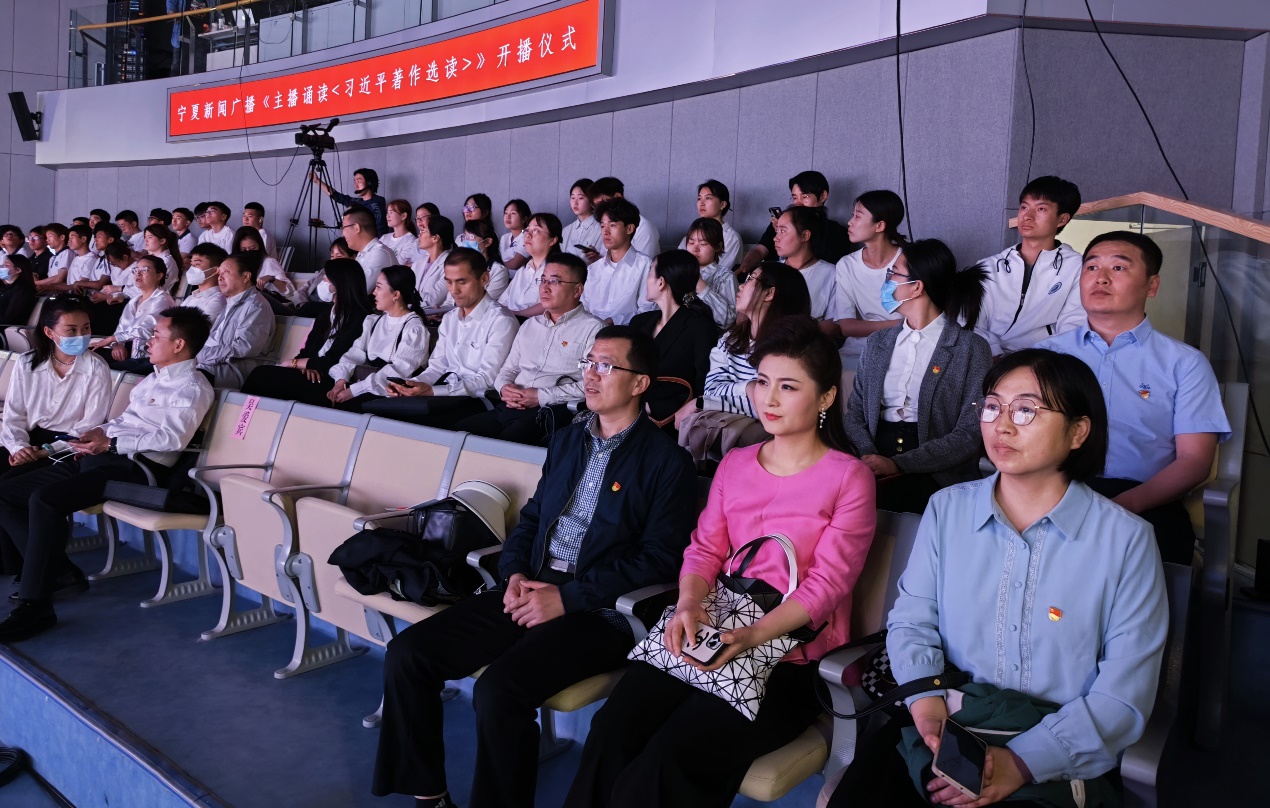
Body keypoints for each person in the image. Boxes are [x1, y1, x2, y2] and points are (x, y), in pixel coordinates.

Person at [372, 324, 697, 808]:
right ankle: (431, 797)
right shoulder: (567, 441)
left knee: (499, 692)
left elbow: (658, 559)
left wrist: (567, 598)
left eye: (605, 366)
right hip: (533, 586)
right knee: (408, 654)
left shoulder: (667, 462)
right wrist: (514, 574)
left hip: (601, 610)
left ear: (640, 383)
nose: (590, 375)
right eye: (588, 363)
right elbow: (531, 519)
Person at [828, 348, 1168, 807]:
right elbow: (912, 622)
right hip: (947, 717)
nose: (1001, 425)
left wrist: (1022, 763)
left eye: (1026, 410)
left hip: (1057, 743)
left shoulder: (1126, 541)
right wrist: (926, 709)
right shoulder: (947, 510)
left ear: (1078, 431)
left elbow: (1123, 695)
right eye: (992, 406)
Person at [567, 316, 876, 807]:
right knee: (612, 729)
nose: (769, 398)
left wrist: (753, 636)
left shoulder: (849, 477)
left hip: (790, 657)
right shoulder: (737, 463)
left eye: (788, 386)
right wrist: (688, 604)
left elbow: (827, 585)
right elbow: (705, 549)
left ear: (825, 397)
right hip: (711, 627)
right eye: (762, 382)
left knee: (670, 760)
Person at [0, 306, 215, 642]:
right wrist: (96, 434)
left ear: (178, 345)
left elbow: (172, 438)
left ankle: (35, 603)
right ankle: (56, 572)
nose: (148, 341)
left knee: (45, 500)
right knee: (6, 492)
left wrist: (111, 442)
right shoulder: (154, 378)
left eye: (156, 335)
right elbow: (124, 421)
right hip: (105, 458)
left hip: (135, 469)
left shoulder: (192, 387)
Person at [1037, 230, 1230, 565]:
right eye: (1091, 267)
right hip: (1054, 491)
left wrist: (1125, 505)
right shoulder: (1044, 356)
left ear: (1152, 286)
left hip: (1144, 500)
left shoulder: (1184, 363)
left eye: (1118, 267)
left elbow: (1194, 461)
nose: (1101, 278)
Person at [844, 239, 991, 513]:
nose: (887, 281)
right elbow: (854, 412)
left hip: (939, 471)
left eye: (894, 273)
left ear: (916, 287)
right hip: (871, 459)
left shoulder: (971, 348)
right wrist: (869, 456)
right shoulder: (878, 343)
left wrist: (899, 464)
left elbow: (971, 432)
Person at [0, 297, 112, 580]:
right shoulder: (27, 362)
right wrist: (19, 447)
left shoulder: (96, 367)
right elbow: (13, 415)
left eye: (86, 328)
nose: (81, 336)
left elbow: (88, 430)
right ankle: (13, 562)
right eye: (71, 330)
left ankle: (50, 570)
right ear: (50, 332)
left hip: (68, 447)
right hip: (28, 439)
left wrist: (43, 452)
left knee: (8, 488)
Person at [451, 253, 603, 445]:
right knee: (451, 437)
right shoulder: (530, 324)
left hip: (549, 413)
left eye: (554, 281)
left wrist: (540, 396)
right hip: (508, 406)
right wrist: (505, 388)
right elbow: (508, 370)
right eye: (543, 280)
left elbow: (592, 384)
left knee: (499, 448)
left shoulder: (594, 329)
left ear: (577, 290)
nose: (544, 288)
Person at [363, 250, 518, 427]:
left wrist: (433, 391)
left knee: (399, 422)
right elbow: (436, 368)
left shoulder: (500, 321)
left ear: (484, 279)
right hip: (443, 394)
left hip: (477, 401)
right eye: (449, 282)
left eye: (462, 282)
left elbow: (487, 379)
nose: (453, 290)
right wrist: (410, 385)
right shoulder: (450, 318)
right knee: (378, 412)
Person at [675, 262, 811, 427]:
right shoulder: (730, 339)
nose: (740, 286)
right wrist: (748, 387)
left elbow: (769, 408)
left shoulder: (791, 348)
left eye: (750, 279)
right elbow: (711, 389)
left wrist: (705, 403)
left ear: (769, 293)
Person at [975, 176, 1085, 356]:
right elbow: (969, 322)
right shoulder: (987, 267)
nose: (1027, 216)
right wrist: (994, 354)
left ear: (1062, 219)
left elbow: (1073, 325)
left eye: (1041, 209)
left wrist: (1031, 363)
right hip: (989, 360)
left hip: (1043, 363)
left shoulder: (1077, 267)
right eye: (1024, 207)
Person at [242, 259, 373, 407]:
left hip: (333, 379)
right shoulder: (325, 315)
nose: (324, 280)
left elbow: (334, 359)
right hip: (312, 373)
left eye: (327, 277)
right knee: (262, 376)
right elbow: (306, 352)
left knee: (262, 375)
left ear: (340, 281)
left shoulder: (360, 318)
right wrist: (304, 365)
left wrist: (294, 363)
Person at [629, 250, 718, 427]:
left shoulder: (700, 326)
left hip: (672, 421)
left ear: (661, 282)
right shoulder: (639, 322)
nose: (646, 281)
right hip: (627, 411)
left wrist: (653, 407)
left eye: (650, 273)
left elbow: (704, 385)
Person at [327, 265, 431, 410]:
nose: (374, 292)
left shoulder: (414, 328)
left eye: (378, 287)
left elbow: (398, 370)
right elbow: (355, 354)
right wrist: (340, 381)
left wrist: (353, 391)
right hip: (366, 386)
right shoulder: (373, 321)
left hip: (391, 394)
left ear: (396, 294)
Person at [738, 170, 854, 277]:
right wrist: (744, 266)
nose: (798, 203)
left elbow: (823, 268)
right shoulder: (781, 221)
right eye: (794, 197)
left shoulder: (837, 232)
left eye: (805, 197)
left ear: (823, 196)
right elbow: (760, 250)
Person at [832, 189, 906, 356]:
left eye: (857, 216)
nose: (850, 222)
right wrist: (899, 325)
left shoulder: (909, 262)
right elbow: (847, 327)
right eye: (852, 215)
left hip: (902, 347)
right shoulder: (846, 265)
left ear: (879, 226)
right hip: (857, 350)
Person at [196, 251, 276, 389]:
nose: (219, 278)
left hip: (235, 368)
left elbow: (245, 347)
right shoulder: (231, 302)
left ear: (245, 276)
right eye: (219, 273)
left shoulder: (256, 306)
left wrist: (205, 354)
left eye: (226, 272)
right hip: (210, 363)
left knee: (188, 380)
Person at [91, 255, 176, 373]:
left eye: (144, 269)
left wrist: (113, 338)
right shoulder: (133, 301)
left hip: (147, 357)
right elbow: (120, 330)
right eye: (136, 270)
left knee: (103, 370)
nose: (138, 273)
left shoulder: (163, 300)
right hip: (127, 352)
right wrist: (117, 344)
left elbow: (147, 330)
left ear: (159, 276)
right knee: (91, 358)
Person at [582, 198, 654, 326]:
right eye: (602, 226)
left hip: (625, 333)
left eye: (612, 225)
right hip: (591, 331)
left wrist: (613, 321)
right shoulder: (593, 269)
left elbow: (647, 312)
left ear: (629, 228)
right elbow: (583, 307)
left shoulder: (646, 266)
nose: (605, 232)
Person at [772, 206, 836, 327]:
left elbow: (834, 325)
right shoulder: (769, 270)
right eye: (777, 231)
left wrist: (796, 332)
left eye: (783, 231)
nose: (775, 238)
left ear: (805, 236)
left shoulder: (832, 273)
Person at [499, 212, 563, 317]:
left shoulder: (559, 271)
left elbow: (551, 303)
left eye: (536, 230)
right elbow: (503, 301)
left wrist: (517, 315)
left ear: (553, 240)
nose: (528, 235)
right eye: (527, 230)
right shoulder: (522, 271)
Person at [684, 217, 739, 328]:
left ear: (718, 247)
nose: (695, 248)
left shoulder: (725, 276)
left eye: (703, 244)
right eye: (691, 242)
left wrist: (702, 286)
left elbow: (728, 320)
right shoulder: (681, 272)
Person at [588, 176, 660, 260]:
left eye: (601, 204)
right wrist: (598, 259)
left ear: (618, 197)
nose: (599, 209)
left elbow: (646, 264)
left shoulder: (644, 227)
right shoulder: (605, 225)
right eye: (595, 206)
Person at [676, 180, 743, 271]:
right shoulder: (691, 234)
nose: (701, 203)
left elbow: (720, 271)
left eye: (708, 198)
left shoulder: (732, 238)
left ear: (722, 204)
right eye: (699, 198)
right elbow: (677, 266)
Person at [314, 167, 389, 236]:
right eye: (355, 182)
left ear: (369, 182)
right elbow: (337, 196)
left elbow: (380, 230)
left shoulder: (377, 202)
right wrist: (317, 181)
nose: (356, 185)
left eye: (359, 181)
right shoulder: (357, 201)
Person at [455, 218, 510, 303]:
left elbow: (485, 302)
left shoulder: (499, 271)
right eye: (465, 237)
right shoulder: (460, 266)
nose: (466, 241)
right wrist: (442, 309)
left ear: (487, 242)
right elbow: (450, 300)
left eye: (471, 237)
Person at [343, 207, 396, 293]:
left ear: (356, 228)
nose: (342, 234)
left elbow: (357, 291)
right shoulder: (362, 254)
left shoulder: (380, 253)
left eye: (343, 228)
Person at [233, 225, 293, 299]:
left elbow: (289, 291)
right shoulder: (234, 264)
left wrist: (271, 278)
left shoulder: (269, 263)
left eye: (252, 248)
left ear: (259, 246)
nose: (248, 252)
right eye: (243, 249)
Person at [413, 214, 455, 308]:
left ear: (435, 238)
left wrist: (409, 297)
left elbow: (432, 301)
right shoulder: (417, 263)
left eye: (423, 231)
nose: (419, 235)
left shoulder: (450, 265)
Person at [142, 224, 184, 292]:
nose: (145, 240)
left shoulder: (166, 262)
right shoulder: (151, 258)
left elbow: (155, 288)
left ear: (162, 241)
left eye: (149, 237)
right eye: (145, 237)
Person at [0, 255, 38, 326]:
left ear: (18, 270)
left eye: (6, 265)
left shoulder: (23, 290)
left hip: (7, 328)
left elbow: (9, 318)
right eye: (2, 265)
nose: (1, 268)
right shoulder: (7, 287)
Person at [380, 199, 420, 267]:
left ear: (403, 216)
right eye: (387, 212)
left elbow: (398, 265)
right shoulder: (384, 237)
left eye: (391, 212)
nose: (387, 216)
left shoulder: (411, 241)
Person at [36, 224, 73, 293]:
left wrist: (36, 282)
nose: (47, 240)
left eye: (50, 236)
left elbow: (59, 278)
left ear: (62, 237)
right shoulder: (52, 258)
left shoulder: (67, 253)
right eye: (46, 237)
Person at [499, 198, 531, 269]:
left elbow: (514, 265)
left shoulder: (527, 236)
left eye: (513, 213)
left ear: (524, 219)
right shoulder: (504, 237)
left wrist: (498, 266)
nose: (508, 217)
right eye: (506, 213)